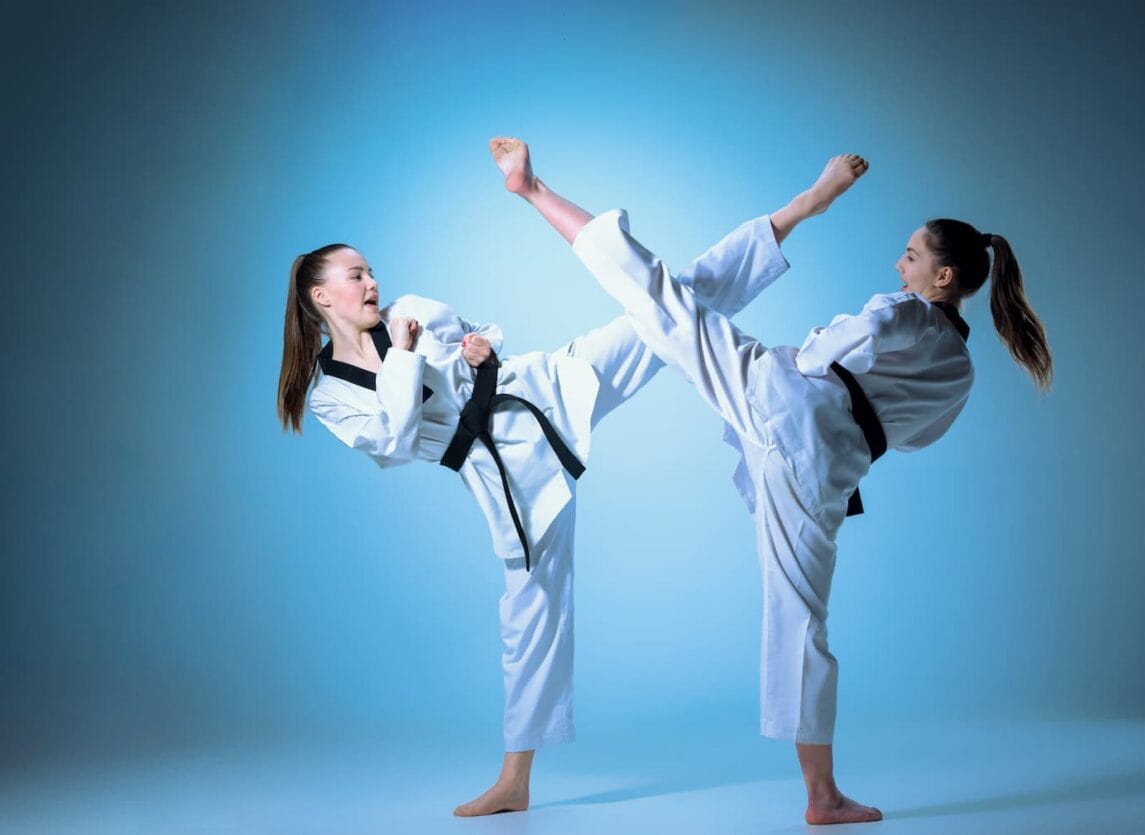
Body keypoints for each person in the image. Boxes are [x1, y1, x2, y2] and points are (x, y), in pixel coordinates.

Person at [492, 136, 1052, 825]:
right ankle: (822, 795)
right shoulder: (960, 373)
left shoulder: (908, 309)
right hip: (827, 466)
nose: (898, 262)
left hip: (790, 401)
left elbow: (860, 331)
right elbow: (916, 436)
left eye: (911, 255)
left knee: (660, 297)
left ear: (943, 277)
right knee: (801, 617)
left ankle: (533, 191)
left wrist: (807, 358)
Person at [275, 144, 796, 815]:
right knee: (530, 617)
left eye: (371, 270)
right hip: (506, 478)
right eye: (355, 275)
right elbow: (397, 438)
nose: (371, 283)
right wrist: (405, 353)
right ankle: (514, 781)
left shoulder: (412, 306)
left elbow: (483, 352)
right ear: (322, 296)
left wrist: (478, 355)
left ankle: (791, 214)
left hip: (544, 389)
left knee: (665, 301)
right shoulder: (329, 396)